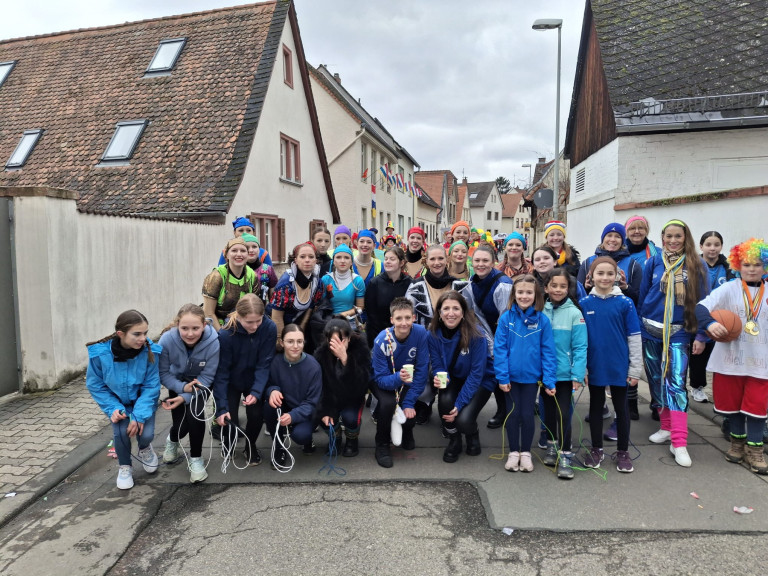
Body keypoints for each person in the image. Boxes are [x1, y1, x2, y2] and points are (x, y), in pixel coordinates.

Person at [638, 219, 709, 467]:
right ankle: (666, 427)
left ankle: (679, 442)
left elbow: (704, 304)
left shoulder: (696, 265)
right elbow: (644, 294)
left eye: (678, 236)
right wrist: (638, 327)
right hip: (649, 330)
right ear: (663, 237)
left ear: (685, 237)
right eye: (668, 236)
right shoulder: (654, 261)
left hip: (679, 333)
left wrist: (700, 336)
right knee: (656, 382)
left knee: (676, 384)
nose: (673, 240)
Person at [696, 238, 768, 474]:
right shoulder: (729, 287)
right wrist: (709, 324)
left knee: (757, 407)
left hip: (761, 360)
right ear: (738, 265)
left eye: (756, 264)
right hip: (730, 359)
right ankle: (737, 443)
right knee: (734, 407)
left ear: (765, 267)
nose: (751, 269)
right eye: (746, 264)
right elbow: (701, 307)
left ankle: (755, 449)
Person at [86, 310, 161, 490]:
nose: (142, 338)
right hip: (117, 403)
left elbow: (151, 386)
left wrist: (138, 416)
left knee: (147, 433)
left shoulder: (151, 352)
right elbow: (95, 384)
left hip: (142, 401)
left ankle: (145, 448)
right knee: (121, 433)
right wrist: (113, 408)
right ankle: (125, 466)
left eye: (145, 333)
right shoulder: (100, 356)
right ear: (121, 334)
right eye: (137, 334)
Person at [580, 257, 643, 473]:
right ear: (591, 277)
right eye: (600, 273)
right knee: (595, 408)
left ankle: (623, 451)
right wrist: (583, 368)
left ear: (617, 276)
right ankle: (596, 449)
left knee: (621, 409)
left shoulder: (626, 303)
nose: (605, 277)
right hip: (595, 366)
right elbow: (581, 340)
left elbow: (634, 336)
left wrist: (635, 368)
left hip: (619, 367)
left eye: (610, 273)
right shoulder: (585, 304)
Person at [577, 222, 643, 428]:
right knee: (597, 367)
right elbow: (580, 292)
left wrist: (626, 287)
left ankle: (620, 417)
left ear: (623, 240)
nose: (612, 240)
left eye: (617, 236)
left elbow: (638, 296)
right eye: (609, 236)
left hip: (620, 320)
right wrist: (588, 288)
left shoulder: (632, 264)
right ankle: (601, 410)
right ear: (603, 238)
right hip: (596, 319)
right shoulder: (589, 262)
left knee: (621, 374)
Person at [494, 275, 556, 473]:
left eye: (529, 292)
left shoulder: (542, 320)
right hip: (510, 379)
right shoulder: (506, 318)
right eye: (520, 292)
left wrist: (549, 380)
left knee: (527, 414)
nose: (524, 296)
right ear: (514, 294)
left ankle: (526, 452)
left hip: (531, 379)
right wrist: (502, 377)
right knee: (513, 414)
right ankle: (513, 452)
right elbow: (500, 350)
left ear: (536, 295)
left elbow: (548, 351)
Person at [428, 291, 496, 463]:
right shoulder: (433, 333)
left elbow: (477, 373)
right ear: (439, 313)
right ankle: (454, 439)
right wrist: (437, 375)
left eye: (456, 308)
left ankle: (472, 433)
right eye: (446, 309)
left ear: (464, 312)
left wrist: (459, 404)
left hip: (481, 381)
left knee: (463, 420)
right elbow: (437, 365)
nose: (451, 313)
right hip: (454, 377)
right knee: (444, 402)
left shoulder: (477, 335)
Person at [405, 244, 467, 423]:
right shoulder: (415, 287)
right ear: (426, 261)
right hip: (424, 341)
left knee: (450, 378)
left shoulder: (460, 286)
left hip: (454, 343)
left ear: (447, 260)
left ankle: (452, 403)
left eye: (441, 258)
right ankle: (424, 404)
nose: (437, 262)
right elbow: (409, 317)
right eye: (432, 259)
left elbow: (471, 315)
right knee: (423, 375)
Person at [158, 304, 220, 483]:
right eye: (184, 328)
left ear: (204, 325)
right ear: (177, 325)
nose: (190, 333)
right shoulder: (167, 340)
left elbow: (208, 376)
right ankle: (172, 439)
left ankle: (196, 459)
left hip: (201, 385)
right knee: (181, 427)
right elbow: (163, 373)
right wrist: (181, 389)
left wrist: (187, 395)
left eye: (195, 328)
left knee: (195, 417)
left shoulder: (213, 341)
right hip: (177, 384)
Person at [213, 294, 277, 466]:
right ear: (239, 316)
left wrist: (256, 392)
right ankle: (228, 443)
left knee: (256, 415)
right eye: (249, 322)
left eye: (259, 320)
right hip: (232, 380)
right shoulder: (226, 334)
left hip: (254, 377)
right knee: (229, 416)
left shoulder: (269, 328)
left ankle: (250, 444)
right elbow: (222, 372)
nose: (255, 326)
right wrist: (221, 406)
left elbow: (265, 363)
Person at [371, 297, 430, 468]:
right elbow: (380, 379)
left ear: (414, 317)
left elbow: (421, 370)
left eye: (407, 318)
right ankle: (381, 444)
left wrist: (410, 402)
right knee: (388, 403)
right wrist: (398, 378)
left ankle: (407, 431)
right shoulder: (382, 340)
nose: (403, 323)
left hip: (406, 379)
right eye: (398, 318)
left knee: (409, 407)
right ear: (391, 320)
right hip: (383, 379)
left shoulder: (420, 334)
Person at [541, 269, 587, 479]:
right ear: (546, 288)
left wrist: (577, 374)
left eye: (562, 286)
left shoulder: (575, 314)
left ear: (568, 289)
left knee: (564, 414)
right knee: (548, 412)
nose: (558, 290)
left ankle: (566, 454)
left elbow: (580, 346)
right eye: (554, 286)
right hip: (544, 374)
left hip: (565, 375)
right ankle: (551, 445)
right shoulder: (540, 310)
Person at [460, 245, 512, 429]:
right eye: (477, 261)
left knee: (504, 374)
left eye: (485, 261)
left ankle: (508, 413)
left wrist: (499, 344)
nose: (480, 264)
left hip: (504, 336)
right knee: (497, 374)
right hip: (488, 334)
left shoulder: (503, 284)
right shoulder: (472, 283)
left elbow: (506, 318)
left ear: (493, 262)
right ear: (472, 263)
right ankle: (502, 410)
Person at [265, 324, 323, 468]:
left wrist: (293, 416)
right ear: (282, 343)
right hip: (285, 405)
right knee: (268, 406)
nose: (295, 346)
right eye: (290, 341)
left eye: (299, 341)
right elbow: (269, 382)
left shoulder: (313, 366)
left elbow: (312, 402)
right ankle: (278, 447)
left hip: (306, 411)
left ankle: (307, 440)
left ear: (304, 342)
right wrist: (272, 390)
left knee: (301, 436)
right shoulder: (276, 362)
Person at [689, 231, 736, 403]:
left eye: (716, 244)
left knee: (718, 355)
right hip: (699, 316)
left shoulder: (728, 267)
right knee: (698, 354)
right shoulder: (694, 265)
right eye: (708, 244)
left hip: (722, 318)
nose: (712, 248)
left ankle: (721, 390)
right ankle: (697, 386)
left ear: (721, 247)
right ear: (701, 247)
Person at [314, 318, 371, 457]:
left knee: (350, 418)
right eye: (333, 342)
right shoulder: (321, 354)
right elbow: (320, 386)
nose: (337, 346)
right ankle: (335, 439)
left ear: (349, 338)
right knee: (324, 417)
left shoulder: (360, 348)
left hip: (353, 396)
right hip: (331, 397)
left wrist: (346, 360)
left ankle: (352, 440)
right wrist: (325, 409)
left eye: (342, 340)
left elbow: (363, 383)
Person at [269, 242, 324, 348]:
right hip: (279, 328)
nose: (307, 260)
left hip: (299, 328)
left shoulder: (318, 283)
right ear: (296, 260)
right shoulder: (286, 284)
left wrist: (300, 334)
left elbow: (310, 308)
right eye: (302, 257)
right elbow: (277, 317)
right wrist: (282, 342)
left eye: (311, 257)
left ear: (316, 260)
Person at [202, 237, 256, 331]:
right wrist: (222, 335)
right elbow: (208, 312)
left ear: (247, 255)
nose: (239, 254)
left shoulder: (252, 276)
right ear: (226, 254)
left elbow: (253, 307)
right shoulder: (216, 276)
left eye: (243, 251)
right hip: (218, 326)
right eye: (234, 250)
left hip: (243, 324)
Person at [364, 246, 413, 348]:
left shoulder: (409, 282)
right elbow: (371, 313)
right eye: (386, 259)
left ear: (401, 263)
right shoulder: (375, 283)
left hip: (403, 333)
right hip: (378, 335)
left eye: (392, 259)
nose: (388, 262)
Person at [321, 244, 365, 319]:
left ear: (351, 262)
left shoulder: (357, 280)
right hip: (328, 321)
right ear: (333, 261)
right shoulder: (326, 279)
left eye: (346, 258)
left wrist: (342, 316)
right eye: (338, 257)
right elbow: (321, 305)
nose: (342, 261)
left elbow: (360, 307)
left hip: (349, 323)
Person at [242, 233, 278, 305]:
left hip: (261, 312)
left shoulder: (268, 269)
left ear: (259, 249)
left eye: (254, 247)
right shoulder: (237, 269)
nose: (251, 250)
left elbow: (273, 297)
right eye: (247, 247)